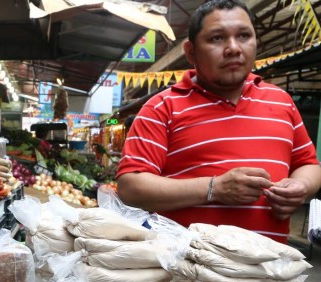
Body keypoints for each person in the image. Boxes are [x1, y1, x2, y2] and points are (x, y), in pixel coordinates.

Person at [116, 0, 321, 243]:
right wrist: (214, 188)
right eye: (217, 38)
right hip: (188, 272)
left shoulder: (282, 102)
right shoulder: (163, 107)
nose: (234, 48)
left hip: (269, 272)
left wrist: (300, 186)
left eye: (244, 35)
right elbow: (130, 187)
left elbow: (308, 164)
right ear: (191, 52)